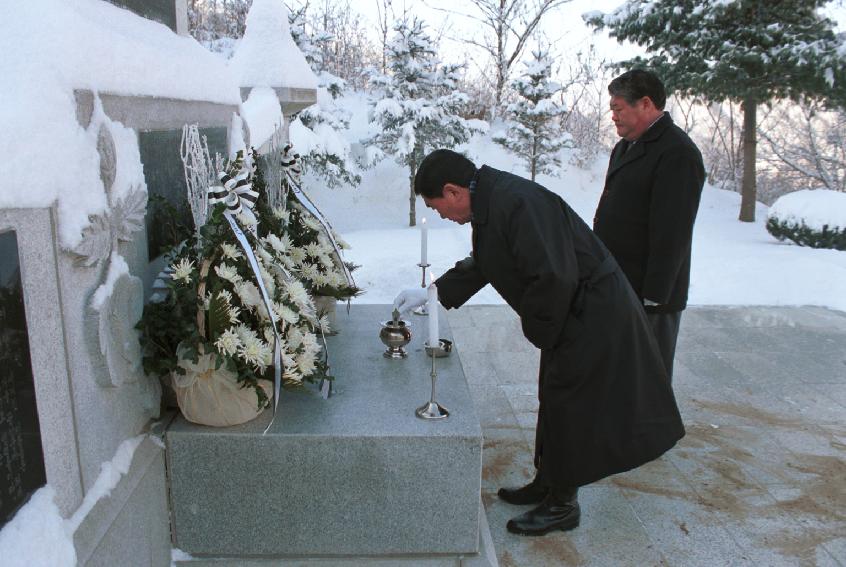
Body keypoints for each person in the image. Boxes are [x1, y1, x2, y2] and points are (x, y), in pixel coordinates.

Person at [393, 149, 684, 537]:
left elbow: (554, 277)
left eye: (438, 206)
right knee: (555, 395)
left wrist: (542, 332)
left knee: (570, 403)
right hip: (573, 308)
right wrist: (434, 291)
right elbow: (488, 261)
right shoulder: (493, 199)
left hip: (592, 311)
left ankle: (563, 505)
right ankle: (548, 481)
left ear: (453, 191)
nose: (443, 215)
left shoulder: (516, 202)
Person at [594, 69, 705, 380]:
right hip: (618, 284)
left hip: (650, 294)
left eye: (618, 108)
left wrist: (654, 296)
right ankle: (619, 428)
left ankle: (651, 431)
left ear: (645, 104)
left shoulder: (677, 152)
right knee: (621, 372)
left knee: (648, 377)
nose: (613, 116)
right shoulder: (625, 145)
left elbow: (673, 232)